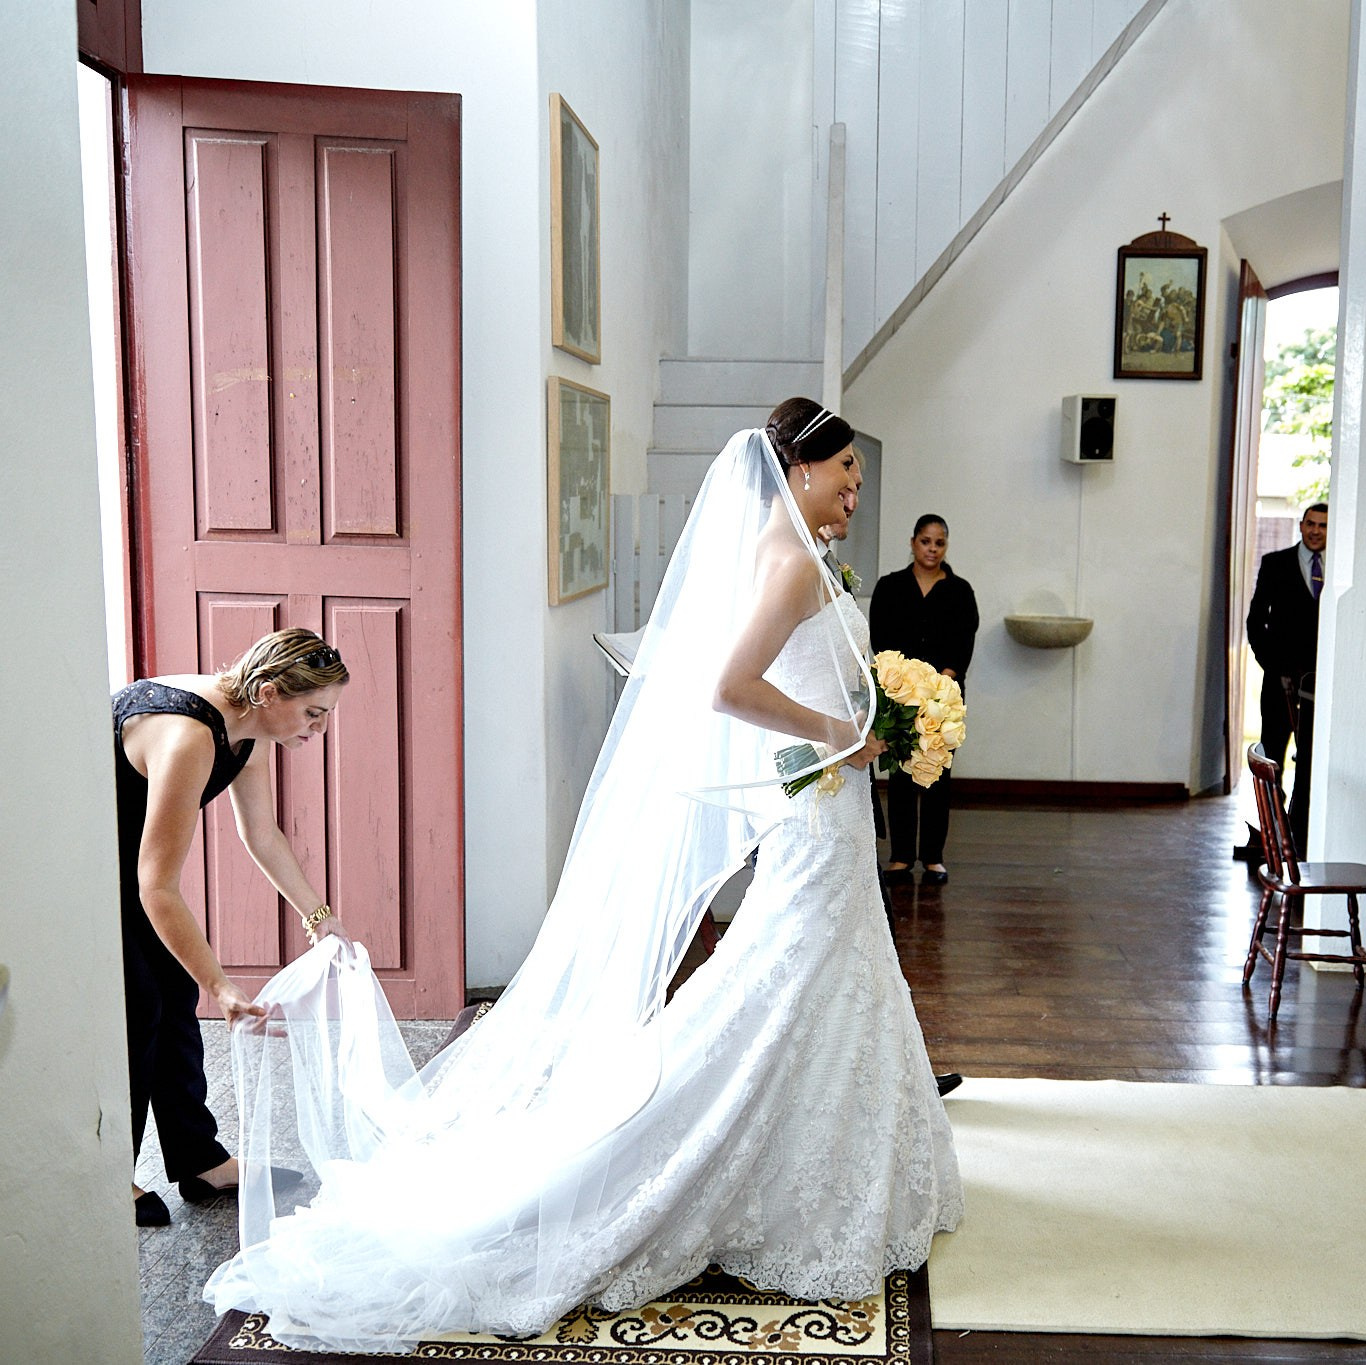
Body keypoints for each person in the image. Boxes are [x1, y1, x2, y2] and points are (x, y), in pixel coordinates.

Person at [203, 399, 962, 1352]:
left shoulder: (800, 556)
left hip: (828, 807)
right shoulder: (787, 562)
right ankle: (684, 1152)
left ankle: (836, 1150)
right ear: (798, 470)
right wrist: (844, 733)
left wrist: (873, 711)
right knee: (781, 981)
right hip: (821, 804)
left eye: (857, 472)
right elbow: (731, 686)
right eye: (845, 470)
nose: (856, 487)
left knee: (820, 977)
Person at [114, 629, 349, 1228]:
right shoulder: (191, 735)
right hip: (86, 864)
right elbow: (156, 887)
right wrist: (223, 987)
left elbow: (261, 834)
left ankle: (199, 1160)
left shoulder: (250, 725)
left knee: (171, 995)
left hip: (133, 862)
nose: (319, 729)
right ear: (270, 692)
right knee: (140, 1005)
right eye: (313, 713)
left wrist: (319, 917)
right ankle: (106, 1177)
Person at [870, 515, 979, 886]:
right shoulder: (891, 586)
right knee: (900, 773)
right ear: (913, 542)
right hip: (901, 695)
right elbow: (880, 636)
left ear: (946, 546)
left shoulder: (960, 591)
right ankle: (901, 856)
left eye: (940, 543)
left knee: (936, 774)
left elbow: (965, 639)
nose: (932, 549)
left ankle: (933, 857)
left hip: (942, 697)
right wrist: (905, 683)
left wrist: (940, 682)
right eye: (926, 541)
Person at [1246, 502, 1326, 841]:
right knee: (1274, 750)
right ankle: (1269, 829)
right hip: (1280, 678)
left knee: (1311, 755)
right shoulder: (1275, 563)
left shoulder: (1342, 571)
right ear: (1301, 525)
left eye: (1323, 525)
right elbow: (1255, 620)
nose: (1316, 530)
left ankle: (1301, 826)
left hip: (1323, 682)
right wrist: (1271, 664)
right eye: (1310, 523)